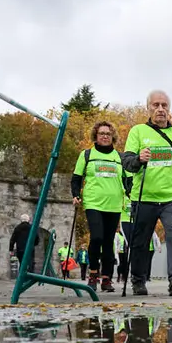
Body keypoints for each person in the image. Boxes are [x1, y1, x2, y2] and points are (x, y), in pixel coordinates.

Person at [120, 90, 172, 297]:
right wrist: (138, 159)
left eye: (164, 105)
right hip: (144, 197)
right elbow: (126, 163)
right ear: (148, 108)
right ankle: (138, 279)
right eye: (156, 105)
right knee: (140, 241)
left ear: (169, 109)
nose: (160, 109)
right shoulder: (137, 131)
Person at [70, 121, 125, 292]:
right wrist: (76, 195)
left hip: (114, 204)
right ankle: (93, 274)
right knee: (97, 237)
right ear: (96, 135)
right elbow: (76, 178)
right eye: (101, 133)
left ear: (112, 136)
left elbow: (128, 180)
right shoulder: (86, 155)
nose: (105, 136)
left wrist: (131, 193)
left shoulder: (120, 157)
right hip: (93, 202)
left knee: (109, 242)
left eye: (108, 134)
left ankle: (107, 279)